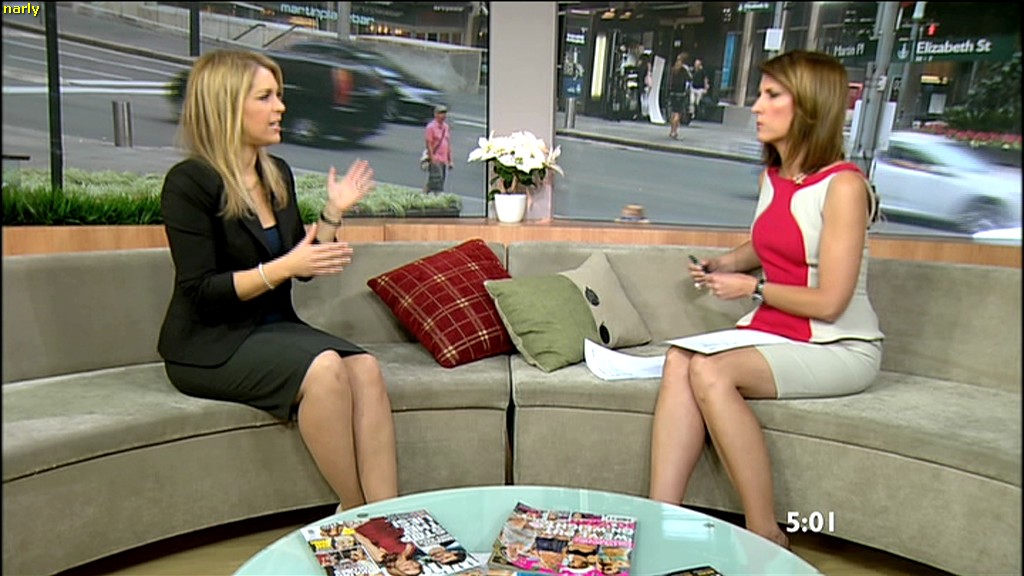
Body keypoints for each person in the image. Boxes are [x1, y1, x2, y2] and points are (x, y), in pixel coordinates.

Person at [648, 49, 884, 550]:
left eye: (772, 95)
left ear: (809, 107)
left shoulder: (844, 186)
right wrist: (725, 264)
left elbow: (831, 302)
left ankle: (766, 533)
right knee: (678, 359)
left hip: (838, 344)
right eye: (759, 94)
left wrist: (751, 288)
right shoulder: (772, 178)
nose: (756, 106)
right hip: (777, 329)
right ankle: (660, 520)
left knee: (710, 371)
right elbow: (770, 244)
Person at [158, 49, 399, 514]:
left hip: (271, 328)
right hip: (209, 344)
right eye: (266, 97)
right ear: (228, 106)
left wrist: (332, 213)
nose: (281, 107)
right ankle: (354, 514)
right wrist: (284, 267)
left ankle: (391, 516)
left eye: (279, 95)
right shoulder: (189, 183)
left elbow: (301, 264)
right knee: (325, 368)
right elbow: (201, 291)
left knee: (365, 367)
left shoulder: (275, 174)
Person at [423, 104, 452, 193]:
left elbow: (448, 144)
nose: (443, 115)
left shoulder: (446, 127)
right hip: (436, 158)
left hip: (444, 159)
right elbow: (429, 143)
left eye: (444, 113)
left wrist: (450, 160)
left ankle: (423, 194)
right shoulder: (431, 127)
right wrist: (432, 158)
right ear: (435, 114)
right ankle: (437, 196)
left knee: (437, 180)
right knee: (437, 180)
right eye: (440, 113)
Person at [667, 52, 692, 139]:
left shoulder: (673, 69)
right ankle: (674, 131)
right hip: (680, 94)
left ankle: (671, 131)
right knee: (678, 113)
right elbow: (689, 79)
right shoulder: (684, 70)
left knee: (673, 112)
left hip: (673, 93)